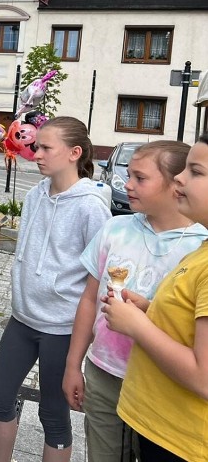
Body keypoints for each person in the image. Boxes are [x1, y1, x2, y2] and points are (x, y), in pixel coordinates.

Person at [63, 141, 207, 462]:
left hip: (163, 388)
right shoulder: (115, 229)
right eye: (128, 176)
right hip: (103, 373)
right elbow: (89, 299)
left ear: (174, 186)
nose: (126, 185)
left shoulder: (198, 248)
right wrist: (73, 364)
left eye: (140, 178)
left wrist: (139, 323)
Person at [0, 116, 111, 462]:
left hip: (61, 328)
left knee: (53, 414)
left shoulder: (90, 207)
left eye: (45, 147)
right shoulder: (35, 195)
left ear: (74, 153)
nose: (36, 152)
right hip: (23, 318)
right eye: (36, 145)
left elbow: (98, 278)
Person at [104, 132, 208, 461]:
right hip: (161, 431)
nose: (179, 177)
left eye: (196, 171)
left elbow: (204, 377)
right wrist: (150, 311)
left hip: (181, 444)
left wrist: (138, 326)